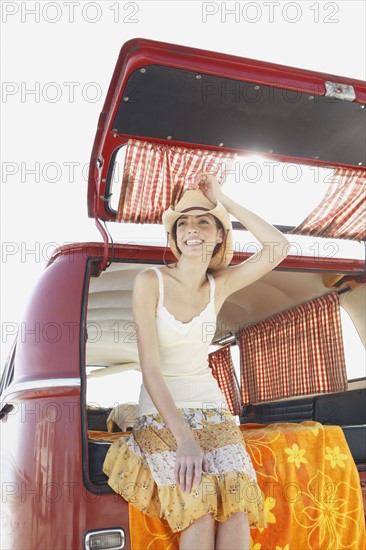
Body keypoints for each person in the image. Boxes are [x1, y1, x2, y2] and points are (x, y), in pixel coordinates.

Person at [103, 172, 290, 549]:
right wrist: (186, 441)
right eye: (183, 222)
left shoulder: (221, 285)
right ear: (173, 238)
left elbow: (278, 247)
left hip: (212, 408)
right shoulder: (149, 281)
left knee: (237, 510)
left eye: (204, 221)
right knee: (199, 510)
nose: (192, 228)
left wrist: (222, 198)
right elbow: (151, 370)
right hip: (162, 413)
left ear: (220, 234)